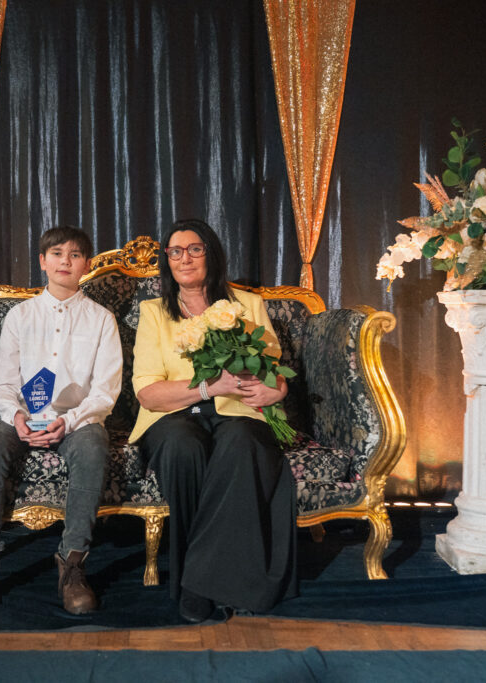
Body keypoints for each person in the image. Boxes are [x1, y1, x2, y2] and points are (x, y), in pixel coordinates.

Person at [129, 218, 296, 622]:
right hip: (173, 414)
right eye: (175, 251)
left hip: (239, 410)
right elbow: (147, 392)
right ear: (166, 260)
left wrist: (278, 390)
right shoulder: (154, 312)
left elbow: (273, 368)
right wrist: (209, 387)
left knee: (240, 443)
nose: (184, 258)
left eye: (194, 249)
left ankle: (196, 583)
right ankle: (208, 578)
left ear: (211, 254)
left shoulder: (247, 304)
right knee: (182, 448)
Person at [0, 226, 123, 616]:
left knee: (93, 447)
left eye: (75, 255)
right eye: (57, 253)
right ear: (43, 261)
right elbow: (2, 383)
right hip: (21, 415)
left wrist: (71, 421)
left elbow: (105, 391)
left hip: (77, 419)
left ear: (87, 264)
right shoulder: (21, 316)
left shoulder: (102, 319)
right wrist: (16, 417)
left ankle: (73, 564)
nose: (66, 261)